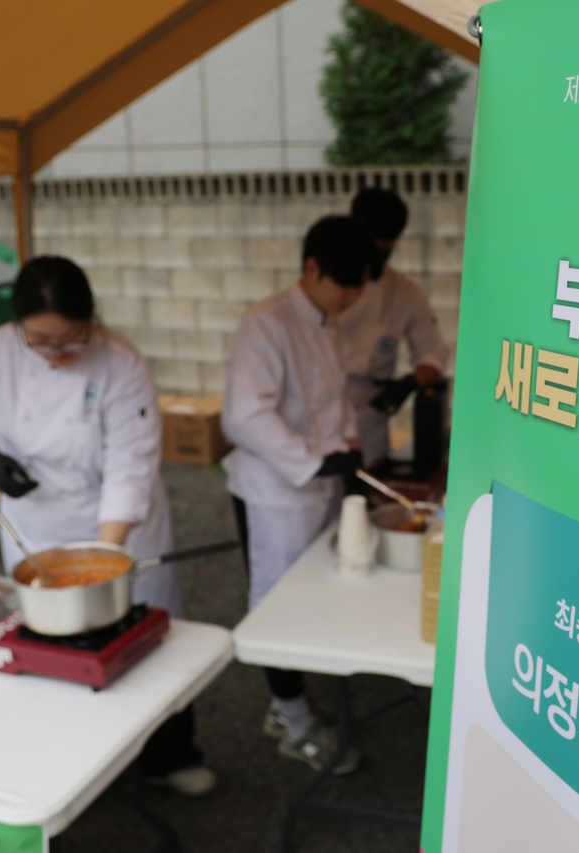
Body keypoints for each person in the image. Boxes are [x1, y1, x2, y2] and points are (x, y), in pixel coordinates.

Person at [0, 256, 215, 797]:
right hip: (34, 528)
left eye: (72, 339)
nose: (58, 353)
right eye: (40, 340)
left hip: (116, 524)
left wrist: (102, 565)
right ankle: (72, 767)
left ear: (91, 321)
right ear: (18, 327)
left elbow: (129, 466)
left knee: (143, 642)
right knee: (49, 645)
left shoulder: (121, 363)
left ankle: (169, 755)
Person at [222, 216, 376, 774]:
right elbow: (244, 415)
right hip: (274, 495)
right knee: (277, 606)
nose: (353, 296)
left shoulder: (327, 319)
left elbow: (328, 401)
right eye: (344, 284)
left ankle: (294, 702)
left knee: (318, 596)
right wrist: (315, 459)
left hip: (318, 486)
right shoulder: (266, 322)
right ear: (311, 268)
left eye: (360, 284)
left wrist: (347, 452)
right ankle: (292, 719)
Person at [338, 187, 451, 468]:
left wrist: (408, 384)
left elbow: (434, 353)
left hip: (371, 415)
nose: (375, 262)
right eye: (372, 249)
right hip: (320, 412)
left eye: (385, 252)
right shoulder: (325, 287)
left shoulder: (405, 293)